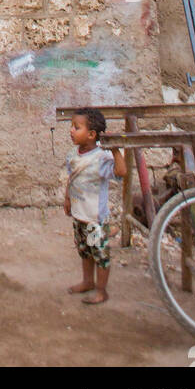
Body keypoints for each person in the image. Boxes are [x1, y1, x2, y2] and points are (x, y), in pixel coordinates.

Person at [64, 105, 127, 305]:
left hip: (95, 219)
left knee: (100, 255)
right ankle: (87, 281)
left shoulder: (102, 158)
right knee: (84, 251)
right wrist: (67, 199)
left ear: (91, 134)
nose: (71, 131)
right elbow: (71, 179)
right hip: (79, 215)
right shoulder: (73, 156)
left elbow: (121, 172)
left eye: (76, 127)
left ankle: (101, 290)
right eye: (72, 126)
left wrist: (115, 149)